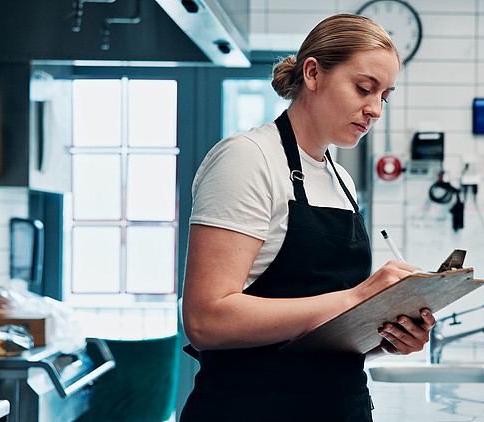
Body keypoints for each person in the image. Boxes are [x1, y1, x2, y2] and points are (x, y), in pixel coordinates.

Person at [179, 14, 436, 422]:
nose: (374, 110)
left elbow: (320, 333)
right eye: (364, 88)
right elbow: (205, 319)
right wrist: (357, 297)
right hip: (252, 410)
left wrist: (385, 333)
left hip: (341, 408)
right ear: (313, 73)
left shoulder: (340, 178)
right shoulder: (248, 158)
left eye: (384, 96)